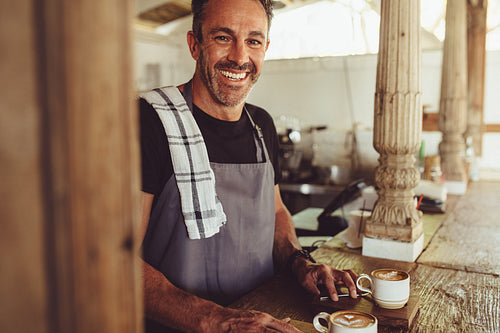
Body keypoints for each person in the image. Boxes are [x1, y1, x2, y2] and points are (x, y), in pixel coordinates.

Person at [138, 0, 358, 331]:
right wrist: (216, 319)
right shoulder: (150, 121)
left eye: (253, 41)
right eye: (223, 37)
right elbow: (113, 258)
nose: (240, 57)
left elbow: (276, 214)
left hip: (267, 318)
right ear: (195, 44)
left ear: (265, 48)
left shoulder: (262, 126)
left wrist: (300, 263)